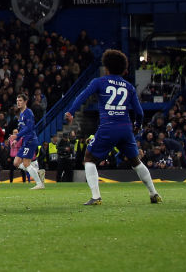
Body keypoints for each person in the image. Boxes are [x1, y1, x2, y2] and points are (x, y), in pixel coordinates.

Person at [64, 49, 162, 206]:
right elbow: (140, 112)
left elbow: (82, 96)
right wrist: (137, 126)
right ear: (123, 69)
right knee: (136, 161)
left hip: (108, 127)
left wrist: (71, 112)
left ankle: (96, 197)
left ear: (106, 67)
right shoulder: (129, 86)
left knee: (89, 158)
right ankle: (154, 193)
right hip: (125, 128)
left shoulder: (99, 82)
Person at [15, 93, 46, 189]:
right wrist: (16, 139)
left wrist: (17, 135)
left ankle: (39, 183)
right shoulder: (21, 114)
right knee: (16, 163)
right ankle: (37, 172)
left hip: (30, 140)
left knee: (26, 163)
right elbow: (22, 129)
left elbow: (30, 127)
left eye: (20, 101)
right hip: (25, 141)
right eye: (17, 101)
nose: (18, 102)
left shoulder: (28, 112)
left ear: (25, 102)